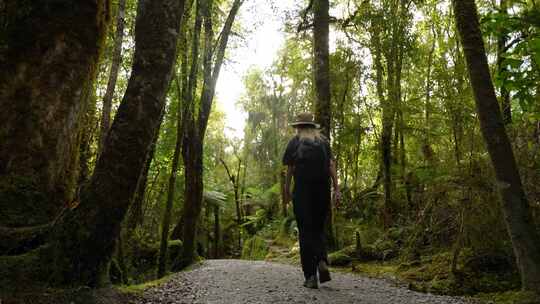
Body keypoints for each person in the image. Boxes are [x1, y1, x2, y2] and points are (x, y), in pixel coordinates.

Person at [282, 112, 341, 289]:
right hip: (322, 191)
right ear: (312, 126)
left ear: (298, 127)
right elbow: (331, 165)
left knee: (305, 231)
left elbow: (290, 168)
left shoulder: (295, 142)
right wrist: (336, 188)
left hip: (302, 191)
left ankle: (310, 277)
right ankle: (322, 260)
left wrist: (286, 190)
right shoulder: (323, 142)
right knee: (318, 228)